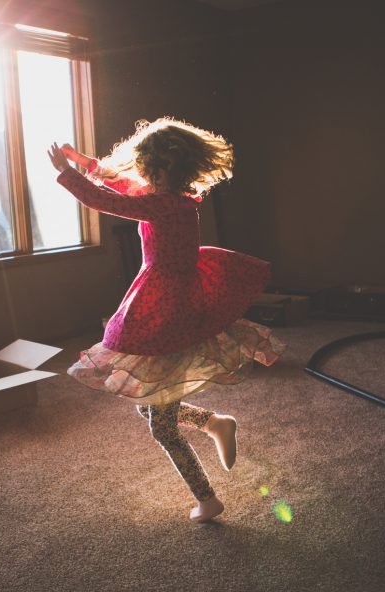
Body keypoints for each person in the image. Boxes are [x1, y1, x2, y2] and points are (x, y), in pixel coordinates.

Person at [47, 117, 284, 522]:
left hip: (167, 304)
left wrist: (68, 175)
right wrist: (85, 162)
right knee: (150, 402)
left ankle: (207, 499)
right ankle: (215, 423)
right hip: (169, 296)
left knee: (161, 425)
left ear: (160, 170)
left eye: (145, 168)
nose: (140, 175)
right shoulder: (175, 198)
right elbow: (124, 189)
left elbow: (112, 202)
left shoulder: (162, 204)